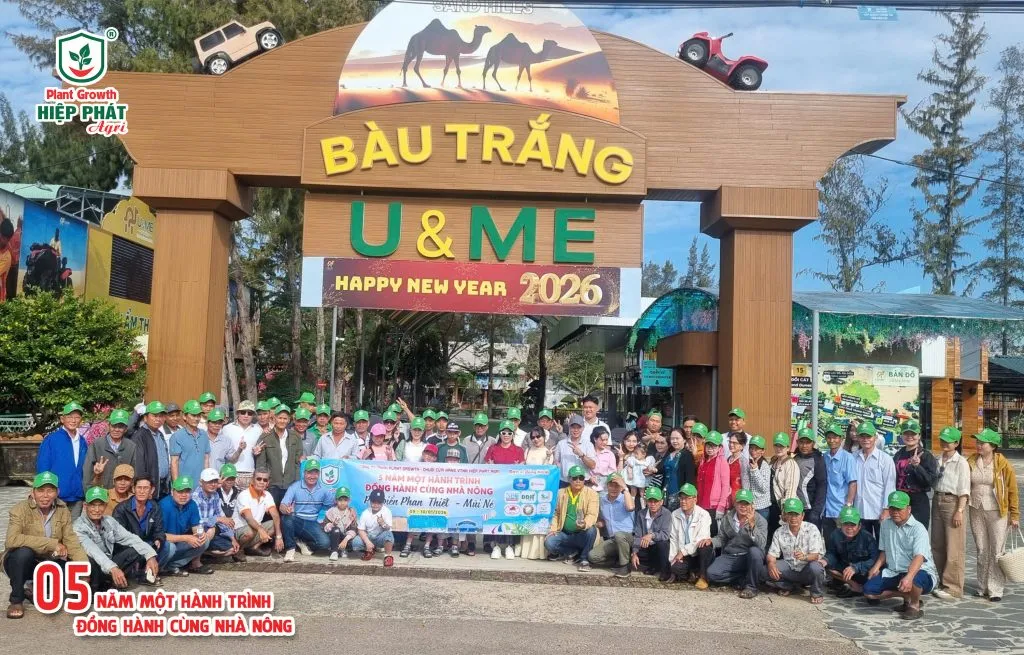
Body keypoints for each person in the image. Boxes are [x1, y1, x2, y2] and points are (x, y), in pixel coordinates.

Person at [2, 472, 87, 619]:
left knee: (70, 583)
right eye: (40, 490)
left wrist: (83, 568)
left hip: (47, 562)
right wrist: (52, 544)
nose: (45, 496)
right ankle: (16, 600)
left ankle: (33, 589)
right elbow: (12, 540)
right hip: (19, 562)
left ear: (57, 492)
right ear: (33, 492)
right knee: (24, 553)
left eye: (50, 490)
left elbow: (71, 540)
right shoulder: (19, 509)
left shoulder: (62, 510)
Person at [863, 491, 939, 620]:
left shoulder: (918, 529)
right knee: (869, 591)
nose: (895, 512)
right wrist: (876, 567)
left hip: (919, 571)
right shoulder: (885, 525)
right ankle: (907, 596)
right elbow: (884, 550)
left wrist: (909, 576)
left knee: (915, 579)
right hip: (894, 571)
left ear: (908, 509)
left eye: (899, 509)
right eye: (892, 508)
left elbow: (919, 557)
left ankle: (914, 605)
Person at [967, 428, 1020, 603]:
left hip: (997, 511)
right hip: (975, 508)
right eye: (978, 442)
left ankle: (995, 588)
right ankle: (982, 586)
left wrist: (1015, 515)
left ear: (993, 446)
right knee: (981, 548)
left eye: (982, 443)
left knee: (996, 549)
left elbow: (1012, 490)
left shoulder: (1003, 464)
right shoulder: (971, 460)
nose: (978, 445)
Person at [74, 486, 160, 591]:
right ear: (85, 506)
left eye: (100, 505)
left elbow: (130, 538)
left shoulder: (109, 521)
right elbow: (94, 552)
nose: (97, 510)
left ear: (105, 505)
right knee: (89, 559)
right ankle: (94, 589)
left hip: (109, 564)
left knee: (135, 550)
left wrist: (150, 555)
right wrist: (113, 568)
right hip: (96, 567)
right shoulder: (78, 527)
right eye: (92, 505)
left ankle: (113, 582)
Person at [930, 426, 971, 600]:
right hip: (937, 500)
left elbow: (964, 489)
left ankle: (953, 587)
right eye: (942, 440)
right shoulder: (937, 460)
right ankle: (943, 582)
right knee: (937, 544)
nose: (944, 443)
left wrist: (959, 510)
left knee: (954, 546)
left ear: (956, 442)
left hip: (952, 502)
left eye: (948, 441)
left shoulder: (961, 463)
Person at [707, 489, 768, 599]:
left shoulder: (760, 520)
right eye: (740, 503)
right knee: (711, 573)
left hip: (749, 556)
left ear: (752, 505)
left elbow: (761, 544)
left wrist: (752, 526)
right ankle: (742, 579)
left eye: (746, 504)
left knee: (755, 552)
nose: (743, 506)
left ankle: (751, 587)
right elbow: (722, 538)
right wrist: (711, 541)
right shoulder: (728, 518)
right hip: (731, 556)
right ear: (735, 504)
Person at [765, 497, 827, 604]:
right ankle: (790, 586)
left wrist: (805, 557)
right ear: (785, 515)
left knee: (816, 568)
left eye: (796, 514)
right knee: (765, 571)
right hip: (789, 568)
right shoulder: (779, 532)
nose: (793, 518)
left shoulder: (812, 529)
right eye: (790, 514)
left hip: (807, 569)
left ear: (802, 515)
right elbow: (772, 554)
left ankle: (816, 593)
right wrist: (771, 564)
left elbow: (816, 555)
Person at [36, 402, 89, 518]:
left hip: (77, 495)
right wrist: (45, 492)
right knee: (56, 526)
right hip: (57, 495)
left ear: (81, 420)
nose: (73, 420)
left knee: (74, 527)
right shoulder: (51, 440)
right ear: (62, 419)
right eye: (69, 417)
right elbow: (43, 467)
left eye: (77, 417)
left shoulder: (83, 441)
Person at [112, 476, 171, 572]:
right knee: (137, 550)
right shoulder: (121, 509)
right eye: (139, 487)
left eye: (146, 488)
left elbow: (159, 530)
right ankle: (136, 571)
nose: (142, 491)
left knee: (168, 547)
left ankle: (149, 571)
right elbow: (118, 537)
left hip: (148, 543)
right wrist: (142, 546)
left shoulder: (155, 507)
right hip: (129, 546)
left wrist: (158, 539)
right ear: (133, 489)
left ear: (152, 490)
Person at [546, 465, 599, 571]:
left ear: (584, 479)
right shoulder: (561, 492)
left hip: (581, 533)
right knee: (549, 543)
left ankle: (584, 559)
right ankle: (572, 553)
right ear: (569, 479)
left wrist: (584, 523)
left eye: (581, 478)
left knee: (592, 530)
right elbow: (556, 513)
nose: (578, 481)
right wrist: (553, 529)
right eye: (574, 478)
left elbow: (592, 514)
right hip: (565, 533)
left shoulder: (592, 493)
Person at [279, 458, 333, 561]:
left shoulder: (324, 491)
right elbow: (282, 506)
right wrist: (286, 509)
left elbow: (331, 507)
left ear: (319, 474)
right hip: (297, 521)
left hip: (313, 523)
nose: (312, 476)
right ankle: (290, 549)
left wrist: (350, 510)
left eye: (315, 473)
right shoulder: (294, 487)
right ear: (304, 473)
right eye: (309, 473)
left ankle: (304, 544)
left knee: (325, 543)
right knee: (286, 518)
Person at [158, 476, 212, 575]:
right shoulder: (164, 505)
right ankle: (158, 568)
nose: (184, 495)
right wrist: (186, 538)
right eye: (180, 491)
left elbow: (196, 527)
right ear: (172, 492)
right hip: (163, 544)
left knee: (204, 541)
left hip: (178, 542)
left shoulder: (192, 504)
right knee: (170, 547)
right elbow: (160, 536)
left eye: (187, 492)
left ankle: (172, 566)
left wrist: (200, 533)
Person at [852, 421, 896, 541]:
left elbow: (890, 486)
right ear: (858, 438)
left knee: (882, 546)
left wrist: (886, 509)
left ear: (875, 438)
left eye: (869, 436)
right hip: (859, 511)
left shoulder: (885, 459)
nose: (865, 439)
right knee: (862, 546)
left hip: (878, 512)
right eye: (862, 436)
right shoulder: (853, 458)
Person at [892, 419, 939, 528]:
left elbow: (931, 481)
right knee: (900, 534)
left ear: (919, 436)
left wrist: (917, 467)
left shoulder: (926, 456)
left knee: (918, 533)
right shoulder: (899, 454)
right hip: (900, 501)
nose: (909, 437)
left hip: (918, 502)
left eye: (913, 434)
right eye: (906, 433)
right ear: (902, 435)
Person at [254, 405, 303, 506]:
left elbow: (297, 463)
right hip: (272, 484)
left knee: (287, 513)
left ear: (289, 420)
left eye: (285, 418)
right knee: (270, 513)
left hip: (290, 484)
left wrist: (297, 483)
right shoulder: (265, 437)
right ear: (274, 418)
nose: (282, 421)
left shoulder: (295, 437)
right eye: (280, 418)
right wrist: (263, 482)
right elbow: (261, 464)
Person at [587, 472, 635, 576]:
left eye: (617, 486)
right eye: (611, 485)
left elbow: (631, 507)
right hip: (613, 539)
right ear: (607, 486)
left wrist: (625, 488)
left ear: (621, 487)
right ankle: (617, 561)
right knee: (592, 556)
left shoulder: (626, 497)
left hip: (628, 537)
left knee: (619, 535)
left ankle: (625, 567)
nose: (614, 488)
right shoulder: (602, 500)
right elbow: (602, 519)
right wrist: (600, 523)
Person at [825, 506, 877, 598]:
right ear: (840, 525)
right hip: (845, 569)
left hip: (863, 571)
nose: (849, 528)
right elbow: (831, 553)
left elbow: (874, 559)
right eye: (846, 524)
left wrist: (856, 567)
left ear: (859, 526)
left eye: (853, 525)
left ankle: (864, 588)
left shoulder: (868, 538)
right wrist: (825, 560)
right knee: (827, 565)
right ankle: (854, 585)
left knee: (876, 573)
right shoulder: (835, 535)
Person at [668, 483, 714, 587]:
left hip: (698, 553)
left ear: (695, 499)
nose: (683, 501)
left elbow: (701, 539)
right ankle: (691, 574)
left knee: (704, 546)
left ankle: (703, 577)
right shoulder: (675, 514)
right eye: (681, 498)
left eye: (687, 498)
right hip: (685, 555)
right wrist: (673, 559)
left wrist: (683, 552)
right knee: (675, 567)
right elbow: (673, 538)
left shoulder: (704, 514)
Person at [822, 422, 859, 547]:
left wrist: (848, 505)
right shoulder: (825, 456)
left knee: (843, 544)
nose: (832, 440)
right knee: (829, 543)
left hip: (841, 509)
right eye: (829, 437)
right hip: (827, 509)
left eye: (835, 437)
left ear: (841, 438)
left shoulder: (848, 458)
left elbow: (852, 483)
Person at [83, 408, 138, 491]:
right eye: (114, 426)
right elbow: (87, 471)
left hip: (122, 494)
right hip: (101, 493)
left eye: (120, 427)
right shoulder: (97, 444)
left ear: (126, 429)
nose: (116, 429)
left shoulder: (131, 446)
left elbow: (135, 472)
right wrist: (89, 492)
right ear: (108, 426)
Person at [234, 466, 284, 557]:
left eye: (265, 480)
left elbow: (275, 515)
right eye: (259, 479)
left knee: (277, 524)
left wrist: (278, 536)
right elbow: (249, 518)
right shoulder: (244, 495)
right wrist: (261, 530)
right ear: (252, 480)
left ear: (268, 483)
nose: (262, 482)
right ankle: (238, 550)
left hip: (255, 528)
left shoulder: (267, 494)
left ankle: (254, 548)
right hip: (241, 530)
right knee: (250, 532)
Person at [192, 468, 240, 560]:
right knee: (211, 529)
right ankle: (196, 559)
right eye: (209, 481)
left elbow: (221, 516)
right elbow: (197, 522)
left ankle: (204, 552)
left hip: (209, 533)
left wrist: (232, 538)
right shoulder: (195, 497)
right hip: (195, 532)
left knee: (232, 549)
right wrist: (217, 519)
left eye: (215, 481)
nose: (213, 484)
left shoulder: (215, 495)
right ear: (201, 482)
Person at [127, 401, 170, 498]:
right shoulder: (140, 436)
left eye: (161, 416)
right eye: (155, 416)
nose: (158, 419)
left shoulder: (160, 434)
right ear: (145, 418)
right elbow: (139, 466)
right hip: (149, 488)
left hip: (162, 486)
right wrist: (145, 488)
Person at [630, 486, 673, 579]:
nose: (653, 504)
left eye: (656, 501)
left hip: (658, 545)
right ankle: (652, 566)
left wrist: (651, 535)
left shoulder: (667, 514)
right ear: (646, 502)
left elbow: (665, 534)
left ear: (661, 502)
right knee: (632, 547)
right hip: (646, 546)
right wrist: (634, 552)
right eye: (650, 501)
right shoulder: (641, 514)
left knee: (663, 544)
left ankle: (665, 570)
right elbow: (638, 535)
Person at [169, 400, 211, 487]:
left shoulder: (204, 434)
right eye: (193, 415)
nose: (196, 418)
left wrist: (206, 480)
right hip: (184, 485)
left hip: (201, 485)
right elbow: (174, 462)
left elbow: (206, 459)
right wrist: (176, 485)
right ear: (184, 416)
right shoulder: (177, 436)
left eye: (198, 415)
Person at [696, 431, 731, 535]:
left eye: (714, 446)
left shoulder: (722, 462)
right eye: (708, 445)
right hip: (701, 504)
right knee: (701, 534)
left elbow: (725, 486)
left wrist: (721, 506)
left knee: (713, 534)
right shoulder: (703, 460)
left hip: (714, 506)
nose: (710, 448)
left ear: (720, 447)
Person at [222, 400, 261, 490]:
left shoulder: (258, 430)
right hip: (230, 472)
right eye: (243, 412)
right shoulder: (226, 429)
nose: (246, 415)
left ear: (253, 416)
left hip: (250, 472)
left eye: (249, 413)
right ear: (238, 413)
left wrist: (257, 452)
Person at [769, 432, 800, 545]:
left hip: (782, 506)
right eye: (777, 445)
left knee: (785, 539)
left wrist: (785, 510)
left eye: (782, 446)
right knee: (774, 537)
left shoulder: (791, 464)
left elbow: (791, 489)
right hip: (772, 505)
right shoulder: (774, 461)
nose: (779, 448)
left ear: (787, 447)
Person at [793, 427, 826, 529]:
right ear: (797, 442)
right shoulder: (795, 458)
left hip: (811, 509)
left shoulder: (818, 459)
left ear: (813, 443)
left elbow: (822, 485)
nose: (804, 446)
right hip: (796, 508)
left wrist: (816, 511)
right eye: (801, 442)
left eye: (807, 442)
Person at [353, 488, 396, 567]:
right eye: (373, 502)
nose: (376, 504)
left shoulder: (387, 511)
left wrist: (383, 524)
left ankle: (388, 556)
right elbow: (360, 530)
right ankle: (369, 551)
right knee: (356, 543)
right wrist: (367, 542)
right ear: (370, 501)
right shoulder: (365, 513)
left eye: (379, 502)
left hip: (380, 537)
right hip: (369, 536)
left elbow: (388, 529)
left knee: (388, 534)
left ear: (383, 502)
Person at [554, 415, 597, 486]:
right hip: (565, 482)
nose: (576, 430)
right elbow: (555, 463)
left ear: (583, 428)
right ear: (569, 428)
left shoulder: (588, 444)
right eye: (573, 427)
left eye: (578, 427)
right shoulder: (561, 444)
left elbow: (592, 465)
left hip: (583, 482)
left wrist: (582, 455)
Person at [324, 486, 358, 560]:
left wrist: (345, 540)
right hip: (334, 537)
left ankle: (343, 549)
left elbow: (354, 529)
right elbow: (325, 527)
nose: (342, 503)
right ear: (336, 500)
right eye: (340, 500)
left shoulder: (352, 513)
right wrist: (333, 524)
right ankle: (334, 551)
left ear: (349, 501)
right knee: (335, 529)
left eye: (345, 500)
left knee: (353, 538)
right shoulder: (331, 512)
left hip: (346, 538)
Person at [746, 435, 772, 521]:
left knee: (760, 529)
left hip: (761, 508)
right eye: (751, 448)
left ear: (762, 451)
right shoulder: (748, 463)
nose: (753, 451)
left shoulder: (764, 466)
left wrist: (755, 470)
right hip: (749, 506)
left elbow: (764, 488)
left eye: (757, 449)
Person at [622, 434, 652, 505]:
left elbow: (650, 467)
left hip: (642, 479)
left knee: (642, 492)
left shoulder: (647, 460)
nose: (631, 444)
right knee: (633, 491)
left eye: (634, 441)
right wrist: (630, 474)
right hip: (633, 479)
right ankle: (632, 503)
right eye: (628, 441)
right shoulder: (632, 459)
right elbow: (629, 466)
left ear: (644, 454)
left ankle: (643, 505)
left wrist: (651, 470)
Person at [590, 426, 619, 493]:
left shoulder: (610, 454)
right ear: (595, 439)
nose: (605, 442)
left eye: (606, 440)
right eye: (602, 440)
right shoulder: (588, 452)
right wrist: (589, 477)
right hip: (590, 483)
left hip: (605, 484)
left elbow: (613, 472)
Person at [726, 431, 750, 504]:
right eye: (730, 442)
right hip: (726, 498)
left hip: (737, 499)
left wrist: (744, 500)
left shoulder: (743, 461)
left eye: (734, 443)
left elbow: (746, 483)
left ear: (742, 446)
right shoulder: (728, 459)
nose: (731, 445)